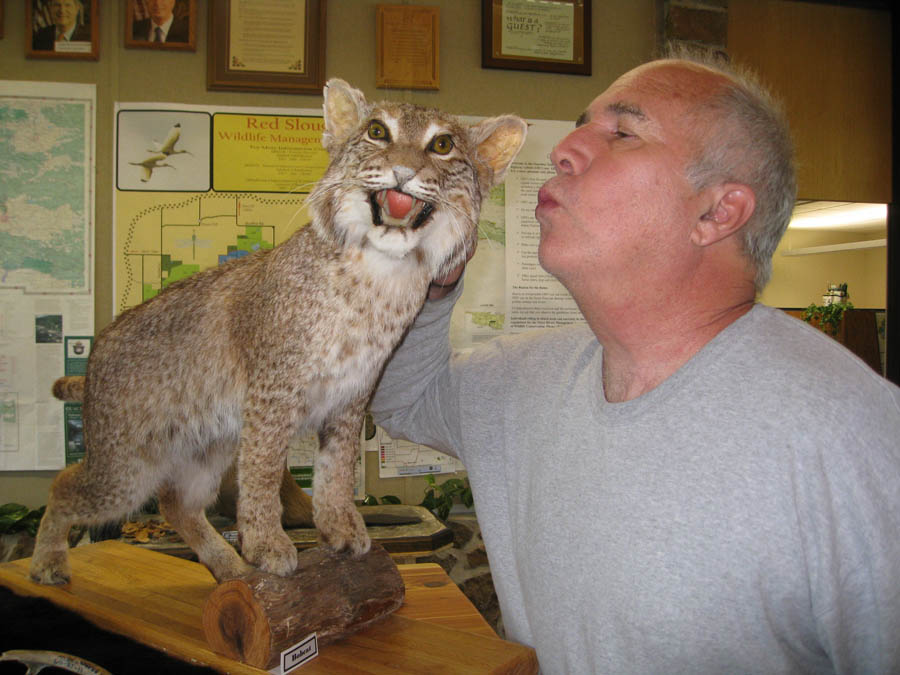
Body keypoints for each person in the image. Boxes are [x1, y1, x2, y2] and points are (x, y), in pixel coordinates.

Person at [370, 49, 900, 673]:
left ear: (716, 212)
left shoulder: (851, 433)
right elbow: (402, 399)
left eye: (623, 132)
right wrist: (427, 287)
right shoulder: (521, 380)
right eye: (581, 126)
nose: (564, 149)